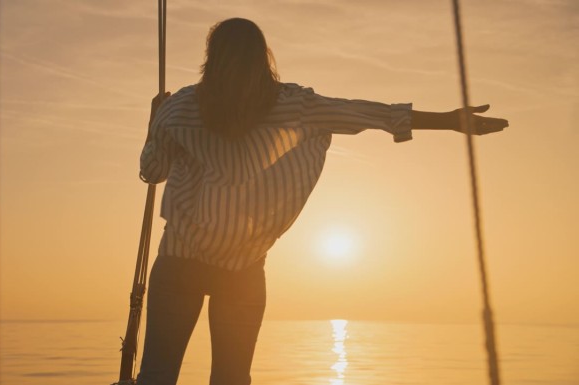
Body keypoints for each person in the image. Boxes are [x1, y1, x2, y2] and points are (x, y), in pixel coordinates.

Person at [136, 17, 508, 385]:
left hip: (179, 261)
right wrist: (449, 120)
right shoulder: (294, 105)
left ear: (211, 58)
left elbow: (153, 171)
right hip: (242, 268)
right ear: (261, 58)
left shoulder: (180, 107)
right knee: (232, 379)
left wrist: (154, 124)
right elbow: (367, 113)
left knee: (156, 378)